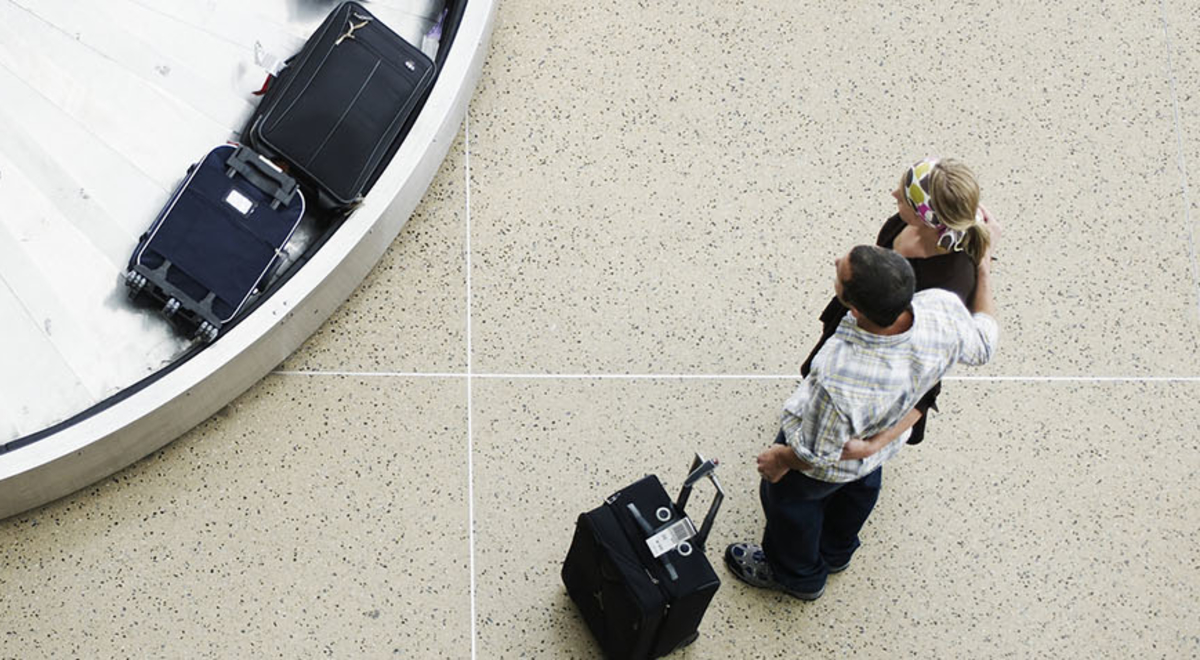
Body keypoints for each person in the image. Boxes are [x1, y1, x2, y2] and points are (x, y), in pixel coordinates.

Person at [724, 242, 998, 600]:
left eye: (841, 272)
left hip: (828, 465)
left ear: (853, 306)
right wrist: (984, 270)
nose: (836, 260)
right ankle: (836, 553)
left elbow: (818, 454)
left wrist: (779, 460)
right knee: (858, 494)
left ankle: (798, 576)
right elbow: (984, 343)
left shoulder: (839, 376)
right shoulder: (942, 310)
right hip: (876, 450)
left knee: (791, 507)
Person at [802, 158, 999, 450]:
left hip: (880, 361)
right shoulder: (902, 224)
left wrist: (872, 446)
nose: (893, 195)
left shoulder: (950, 286)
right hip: (861, 318)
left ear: (925, 217)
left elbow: (927, 380)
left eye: (903, 196)